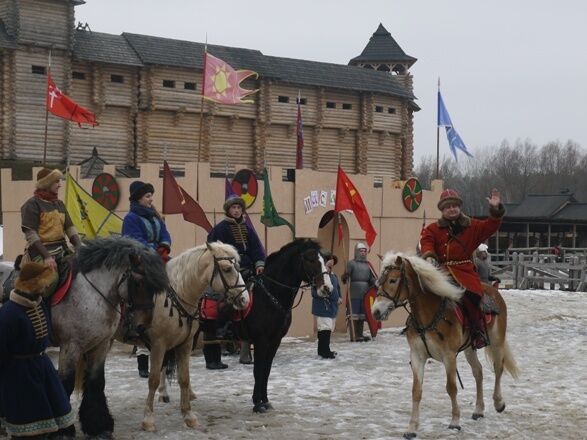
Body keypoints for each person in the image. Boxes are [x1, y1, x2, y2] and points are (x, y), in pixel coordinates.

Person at [420, 188, 505, 350]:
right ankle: (418, 326)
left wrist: (495, 210)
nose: (451, 209)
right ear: (442, 210)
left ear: (459, 207)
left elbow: (491, 226)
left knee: (470, 297)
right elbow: (427, 242)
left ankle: (477, 331)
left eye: (454, 206)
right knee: (421, 292)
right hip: (441, 272)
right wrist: (429, 256)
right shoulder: (432, 229)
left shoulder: (472, 226)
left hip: (465, 273)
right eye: (447, 207)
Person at [0, 262, 76, 438]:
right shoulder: (9, 313)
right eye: (43, 280)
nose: (47, 284)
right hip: (21, 377)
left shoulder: (39, 304)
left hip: (42, 369)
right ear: (32, 283)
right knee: (29, 428)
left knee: (50, 423)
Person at [203, 195, 265, 370]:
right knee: (227, 302)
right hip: (231, 271)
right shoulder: (221, 228)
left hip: (249, 269)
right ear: (228, 210)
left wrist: (260, 263)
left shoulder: (247, 228)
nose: (236, 210)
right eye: (233, 208)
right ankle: (226, 334)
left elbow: (256, 248)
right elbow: (213, 249)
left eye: (239, 208)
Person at [122, 180, 172, 378]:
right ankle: (136, 323)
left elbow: (165, 233)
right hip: (138, 259)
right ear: (137, 198)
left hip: (157, 257)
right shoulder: (131, 218)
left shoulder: (155, 216)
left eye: (151, 195)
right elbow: (133, 239)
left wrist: (164, 246)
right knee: (142, 286)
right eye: (147, 196)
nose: (151, 199)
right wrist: (151, 250)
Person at [20, 167, 82, 294]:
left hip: (62, 250)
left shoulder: (59, 204)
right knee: (51, 280)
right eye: (56, 181)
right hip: (40, 252)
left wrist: (80, 247)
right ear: (46, 183)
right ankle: (42, 309)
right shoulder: (32, 204)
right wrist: (47, 257)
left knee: (81, 270)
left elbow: (70, 229)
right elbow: (31, 235)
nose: (60, 185)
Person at [342, 242, 376, 342]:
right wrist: (346, 276)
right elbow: (345, 278)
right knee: (354, 316)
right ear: (357, 251)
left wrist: (375, 283)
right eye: (361, 251)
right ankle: (353, 335)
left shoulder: (368, 265)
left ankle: (360, 335)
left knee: (361, 316)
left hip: (365, 294)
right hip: (354, 293)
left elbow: (371, 279)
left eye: (365, 251)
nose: (363, 253)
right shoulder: (351, 264)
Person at [312, 252, 342, 359]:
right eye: (329, 261)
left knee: (328, 329)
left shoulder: (334, 276)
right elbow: (314, 292)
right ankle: (324, 351)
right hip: (323, 307)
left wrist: (339, 297)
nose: (331, 263)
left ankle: (325, 349)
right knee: (324, 329)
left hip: (332, 307)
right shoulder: (319, 277)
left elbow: (337, 288)